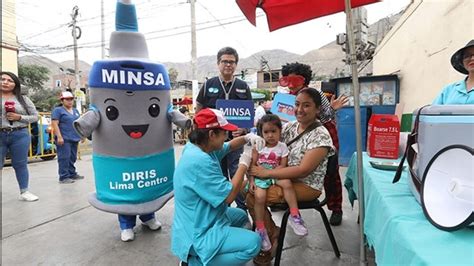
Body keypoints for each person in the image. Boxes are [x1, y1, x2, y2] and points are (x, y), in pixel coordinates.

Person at [246, 88, 335, 263]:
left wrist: (266, 172)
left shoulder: (321, 135)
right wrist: (248, 137)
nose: (300, 109)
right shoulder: (290, 126)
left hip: (306, 185)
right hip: (280, 179)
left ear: (318, 109)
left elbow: (304, 170)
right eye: (297, 104)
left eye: (306, 105)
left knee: (254, 197)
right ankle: (273, 232)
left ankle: (271, 239)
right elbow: (266, 139)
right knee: (248, 189)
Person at [172, 108, 260, 265]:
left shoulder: (200, 148)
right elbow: (229, 196)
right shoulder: (199, 161)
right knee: (254, 243)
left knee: (240, 216)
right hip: (198, 229)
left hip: (203, 216)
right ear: (212, 135)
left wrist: (247, 138)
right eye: (224, 133)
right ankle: (195, 263)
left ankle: (206, 257)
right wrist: (244, 164)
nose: (227, 136)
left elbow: (229, 146)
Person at [279, 62, 347, 226]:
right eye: (289, 79)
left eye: (296, 79)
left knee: (331, 173)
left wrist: (333, 108)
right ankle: (290, 199)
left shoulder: (315, 94)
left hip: (322, 131)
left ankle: (336, 207)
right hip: (294, 132)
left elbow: (325, 115)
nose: (292, 83)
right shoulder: (285, 96)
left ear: (304, 79)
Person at [195, 46, 253, 211]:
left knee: (238, 175)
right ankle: (221, 211)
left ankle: (242, 211)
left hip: (236, 142)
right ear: (218, 63)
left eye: (232, 62)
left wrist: (243, 130)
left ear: (236, 65)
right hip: (213, 144)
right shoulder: (208, 85)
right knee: (216, 178)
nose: (228, 65)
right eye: (225, 61)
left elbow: (249, 114)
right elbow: (199, 109)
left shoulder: (243, 86)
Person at [249, 114, 307, 253]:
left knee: (287, 183)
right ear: (261, 133)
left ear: (280, 131)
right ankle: (261, 229)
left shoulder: (282, 147)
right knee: (259, 197)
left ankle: (295, 216)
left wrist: (272, 174)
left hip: (275, 173)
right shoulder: (258, 146)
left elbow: (283, 165)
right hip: (260, 176)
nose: (270, 135)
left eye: (273, 131)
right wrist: (251, 181)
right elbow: (252, 165)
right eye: (266, 132)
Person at [1, 71, 39, 201]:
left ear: (15, 84)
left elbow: (35, 117)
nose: (5, 82)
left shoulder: (23, 99)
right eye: (2, 79)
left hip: (20, 134)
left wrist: (19, 117)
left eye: (9, 80)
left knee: (20, 164)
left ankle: (24, 191)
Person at [51, 91, 84, 184]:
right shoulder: (58, 110)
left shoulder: (76, 111)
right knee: (64, 157)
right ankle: (63, 176)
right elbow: (55, 124)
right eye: (67, 99)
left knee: (72, 157)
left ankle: (71, 173)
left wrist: (81, 135)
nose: (70, 101)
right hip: (64, 138)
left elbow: (78, 124)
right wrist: (59, 137)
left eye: (71, 99)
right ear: (62, 101)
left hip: (74, 137)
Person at [433, 40, 474, 104]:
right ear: (462, 62)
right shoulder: (449, 90)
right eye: (467, 56)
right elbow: (433, 112)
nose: (472, 58)